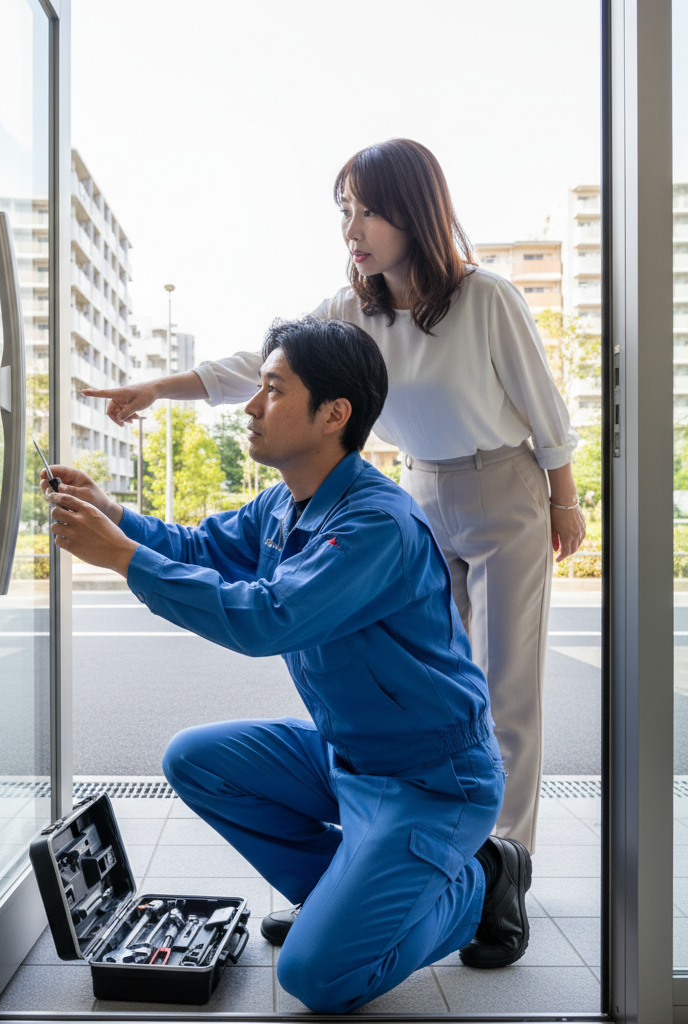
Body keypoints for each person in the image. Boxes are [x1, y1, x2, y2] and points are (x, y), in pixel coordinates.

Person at [82, 139, 586, 855]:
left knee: (507, 692)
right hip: (420, 491)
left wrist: (564, 502)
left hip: (504, 488)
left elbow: (545, 410)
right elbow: (262, 365)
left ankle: (508, 865)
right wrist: (159, 389)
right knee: (439, 690)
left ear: (416, 213)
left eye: (370, 212)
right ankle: (433, 850)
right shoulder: (352, 307)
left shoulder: (487, 296)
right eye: (346, 211)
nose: (353, 230)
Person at [41, 315, 531, 1013]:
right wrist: (114, 515)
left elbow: (268, 617)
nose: (250, 405)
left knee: (317, 978)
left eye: (271, 389)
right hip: (348, 759)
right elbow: (201, 548)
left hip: (430, 781)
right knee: (194, 759)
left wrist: (120, 557)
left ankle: (480, 883)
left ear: (334, 415)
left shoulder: (375, 525)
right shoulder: (285, 503)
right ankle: (344, 890)